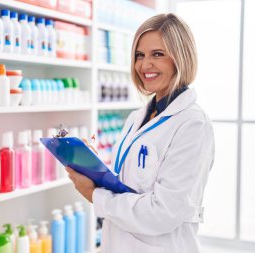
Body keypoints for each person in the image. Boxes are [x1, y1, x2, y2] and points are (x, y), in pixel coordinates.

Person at [66, 13, 215, 253]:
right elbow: (130, 183)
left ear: (181, 58)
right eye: (139, 55)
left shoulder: (193, 125)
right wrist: (94, 169)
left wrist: (95, 195)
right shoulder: (137, 117)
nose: (145, 65)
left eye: (158, 54)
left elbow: (164, 211)